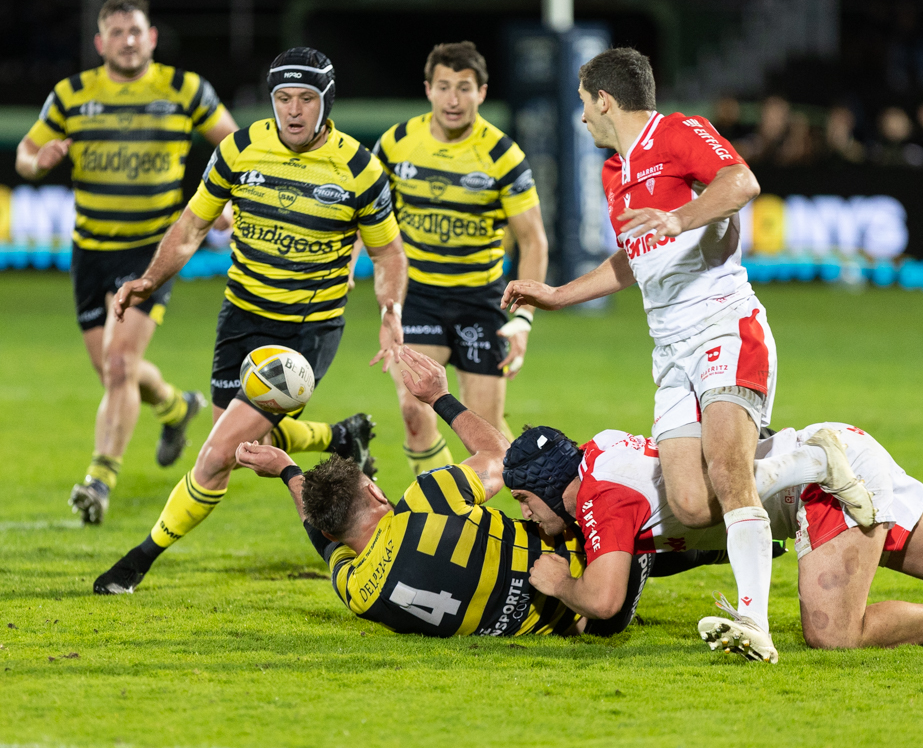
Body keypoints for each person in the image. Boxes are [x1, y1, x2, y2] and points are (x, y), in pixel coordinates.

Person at [92, 47, 408, 595]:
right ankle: (340, 435)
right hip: (241, 318)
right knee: (237, 448)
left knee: (214, 456)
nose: (293, 110)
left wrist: (390, 310)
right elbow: (192, 226)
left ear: (325, 102)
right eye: (283, 98)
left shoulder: (359, 168)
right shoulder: (239, 149)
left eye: (306, 99)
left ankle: (138, 560)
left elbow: (388, 256)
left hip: (305, 332)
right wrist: (149, 278)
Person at [502, 47, 781, 661]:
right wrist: (558, 295)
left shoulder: (678, 132)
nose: (581, 119)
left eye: (583, 104)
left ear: (604, 100)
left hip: (723, 327)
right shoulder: (614, 173)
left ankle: (753, 621)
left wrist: (680, 219)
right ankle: (799, 463)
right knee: (687, 500)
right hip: (670, 350)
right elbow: (636, 258)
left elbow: (742, 183)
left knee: (730, 472)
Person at [503, 422, 923, 655]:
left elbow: (609, 593)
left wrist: (561, 584)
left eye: (525, 502)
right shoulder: (595, 458)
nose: (527, 516)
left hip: (818, 489)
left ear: (550, 484)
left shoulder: (598, 498)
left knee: (833, 634)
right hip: (843, 447)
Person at [235, 347, 692, 637]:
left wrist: (287, 469)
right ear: (375, 493)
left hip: (584, 624)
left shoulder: (357, 591)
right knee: (556, 469)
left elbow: (322, 539)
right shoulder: (422, 504)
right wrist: (439, 399)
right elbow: (504, 458)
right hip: (597, 581)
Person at [15, 0, 238, 525]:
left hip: (151, 251)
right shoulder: (72, 95)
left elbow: (235, 143)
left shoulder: (184, 89)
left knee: (118, 365)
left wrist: (226, 200)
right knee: (113, 370)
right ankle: (175, 406)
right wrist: (36, 161)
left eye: (136, 30)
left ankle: (99, 480)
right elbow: (25, 154)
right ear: (100, 43)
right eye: (116, 32)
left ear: (152, 37)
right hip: (89, 252)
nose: (128, 40)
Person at [371, 42, 548, 476]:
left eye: (464, 88)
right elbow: (365, 215)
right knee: (415, 415)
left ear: (482, 93)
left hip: (479, 301)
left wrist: (522, 321)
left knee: (487, 434)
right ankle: (442, 517)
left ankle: (543, 502)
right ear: (428, 89)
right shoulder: (395, 144)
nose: (453, 99)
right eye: (445, 87)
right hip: (419, 298)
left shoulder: (502, 155)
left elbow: (534, 242)